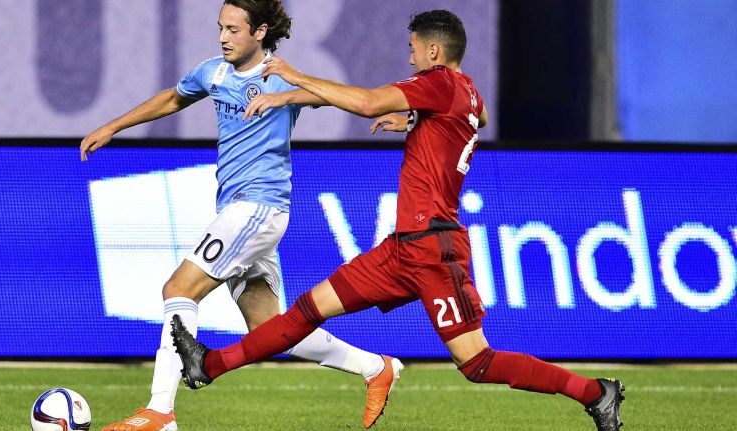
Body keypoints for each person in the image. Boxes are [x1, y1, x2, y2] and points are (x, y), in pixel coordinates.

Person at [170, 9, 626, 431]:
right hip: (402, 248)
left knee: (477, 363)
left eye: (413, 49)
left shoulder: (440, 81)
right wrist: (416, 120)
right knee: (308, 309)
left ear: (434, 51)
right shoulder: (464, 91)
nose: (409, 58)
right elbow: (479, 117)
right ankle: (208, 366)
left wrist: (293, 79)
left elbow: (368, 102)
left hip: (435, 248)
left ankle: (595, 393)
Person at [80, 1, 401, 430]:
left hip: (259, 206)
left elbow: (348, 98)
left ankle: (159, 411)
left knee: (178, 289)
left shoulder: (281, 79)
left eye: (233, 29)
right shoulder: (213, 72)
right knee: (269, 330)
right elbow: (173, 98)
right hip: (237, 208)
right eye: (220, 28)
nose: (223, 37)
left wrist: (405, 114)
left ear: (260, 31)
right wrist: (113, 126)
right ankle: (375, 367)